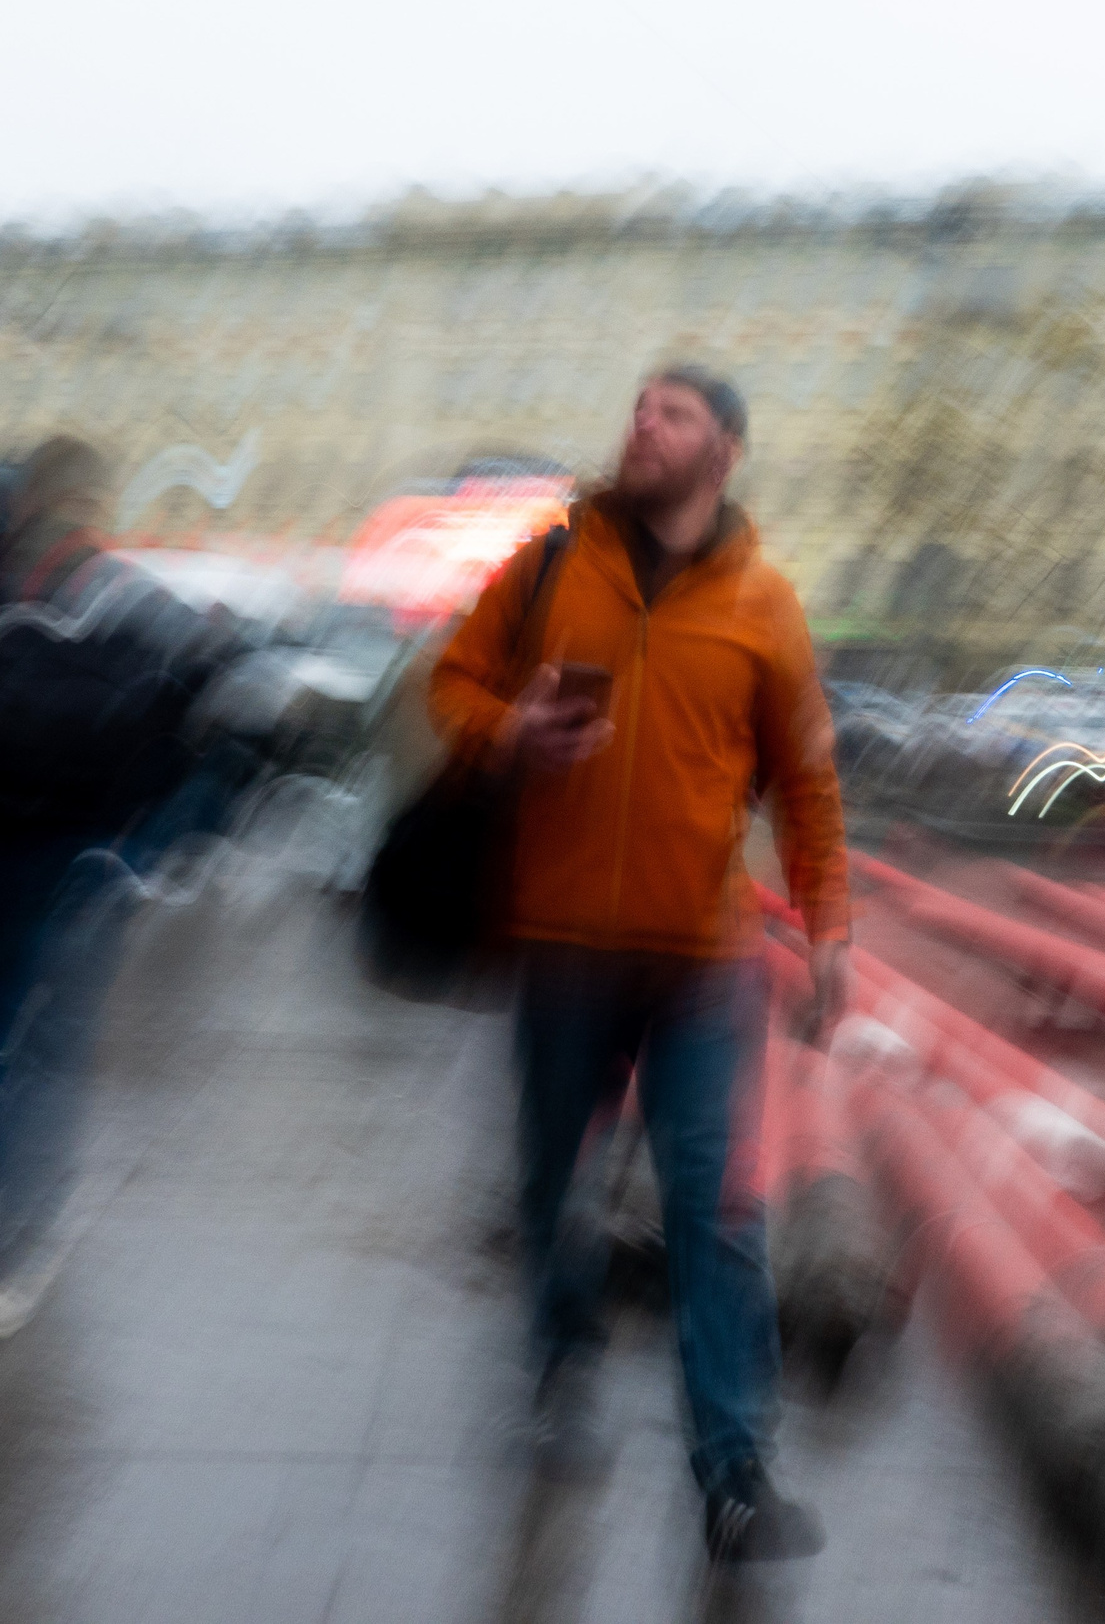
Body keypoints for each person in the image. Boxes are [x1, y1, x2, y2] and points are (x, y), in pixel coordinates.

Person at [428, 366, 850, 1563]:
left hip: (699, 966)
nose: (640, 425)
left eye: (670, 414)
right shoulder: (553, 565)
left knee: (715, 1214)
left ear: (722, 449)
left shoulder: (763, 604)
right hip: (557, 948)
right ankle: (559, 1362)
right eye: (636, 409)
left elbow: (807, 787)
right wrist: (508, 729)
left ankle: (732, 1470)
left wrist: (831, 933)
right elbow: (449, 681)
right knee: (549, 1186)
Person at [0, 438, 232, 1336]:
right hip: (76, 854)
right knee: (50, 1048)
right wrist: (154, 835)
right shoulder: (130, 595)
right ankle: (17, 1251)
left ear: (24, 500)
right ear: (95, 499)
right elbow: (203, 709)